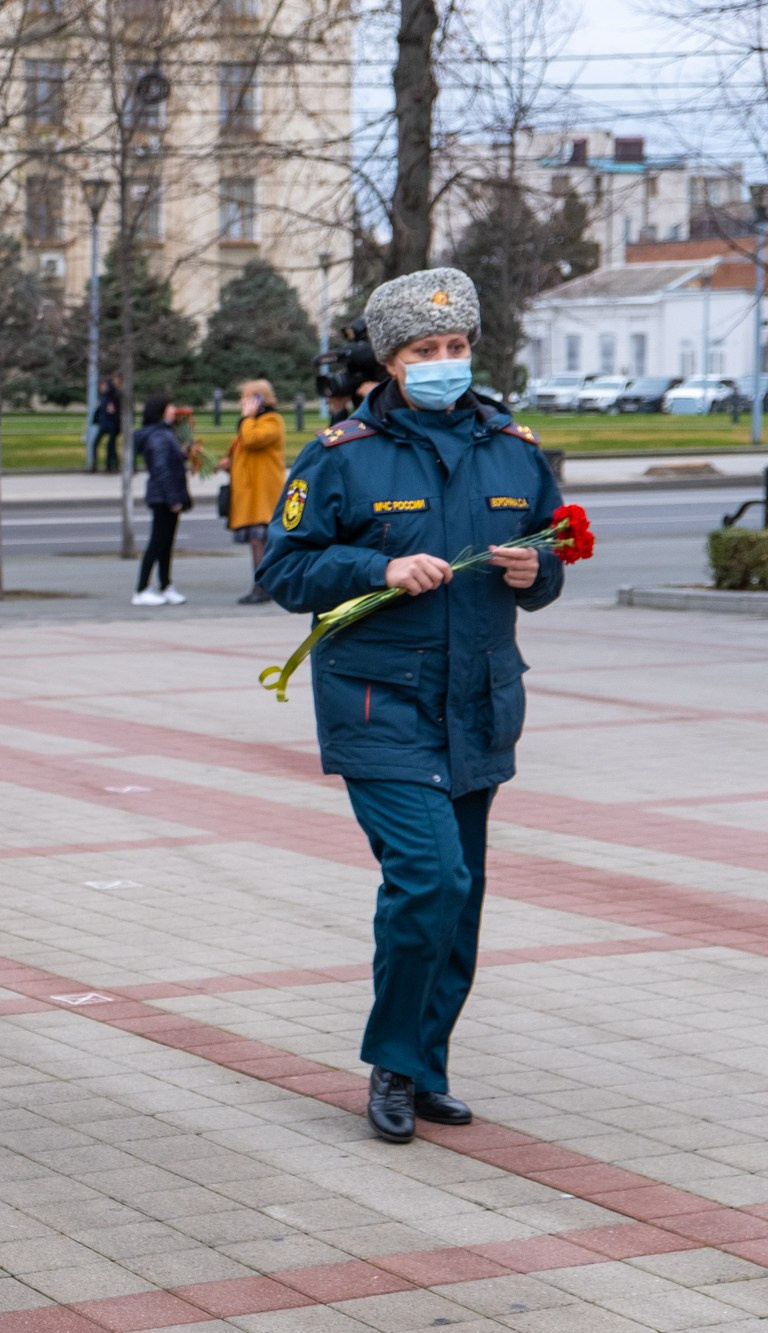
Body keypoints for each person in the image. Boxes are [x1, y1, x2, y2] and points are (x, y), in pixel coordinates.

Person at [257, 266, 566, 1146]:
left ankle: (427, 1064)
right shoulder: (343, 456)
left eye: (456, 346)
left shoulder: (514, 449)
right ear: (392, 362)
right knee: (429, 878)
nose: (444, 362)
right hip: (379, 706)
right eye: (425, 350)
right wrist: (377, 568)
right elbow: (285, 570)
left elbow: (549, 564)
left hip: (478, 703)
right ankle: (393, 1061)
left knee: (460, 900)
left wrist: (536, 569)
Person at [220, 378, 287, 604]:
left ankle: (263, 587)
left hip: (263, 496)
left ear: (259, 400)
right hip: (251, 495)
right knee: (257, 543)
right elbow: (243, 448)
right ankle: (262, 585)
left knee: (260, 542)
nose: (242, 402)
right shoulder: (254, 422)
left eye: (246, 398)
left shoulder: (272, 421)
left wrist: (247, 418)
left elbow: (252, 440)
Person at [130, 394, 190, 606]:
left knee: (166, 544)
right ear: (160, 410)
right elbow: (161, 469)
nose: (174, 410)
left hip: (165, 495)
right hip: (163, 497)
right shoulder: (158, 436)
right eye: (170, 407)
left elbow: (169, 460)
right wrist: (173, 498)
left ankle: (165, 586)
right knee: (157, 543)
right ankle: (141, 589)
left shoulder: (164, 433)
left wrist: (185, 454)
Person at [91, 371, 122, 473]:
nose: (101, 388)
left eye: (102, 386)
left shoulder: (113, 395)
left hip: (112, 424)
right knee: (96, 444)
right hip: (104, 424)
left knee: (111, 446)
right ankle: (95, 465)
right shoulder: (103, 397)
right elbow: (99, 410)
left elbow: (118, 409)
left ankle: (111, 466)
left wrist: (114, 410)